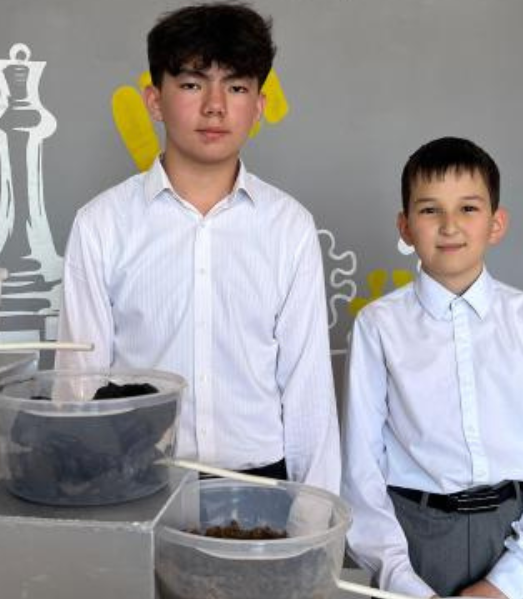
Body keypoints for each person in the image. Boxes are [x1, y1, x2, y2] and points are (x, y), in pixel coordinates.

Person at [56, 2, 340, 491]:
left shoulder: (289, 227)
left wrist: (315, 512)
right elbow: (79, 380)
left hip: (261, 487)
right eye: (192, 84)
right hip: (139, 483)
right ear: (154, 101)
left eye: (236, 87)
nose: (215, 106)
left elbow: (307, 387)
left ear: (259, 106)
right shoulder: (101, 224)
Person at [341, 137, 523, 599]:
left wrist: (504, 585)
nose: (450, 225)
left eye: (468, 208)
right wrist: (403, 580)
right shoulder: (378, 326)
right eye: (429, 210)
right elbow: (360, 469)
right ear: (405, 226)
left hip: (515, 540)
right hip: (413, 538)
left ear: (496, 224)